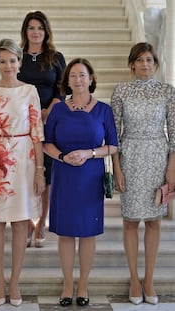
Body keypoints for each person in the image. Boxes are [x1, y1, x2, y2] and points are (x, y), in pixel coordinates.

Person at [0, 38, 45, 307]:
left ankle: (15, 282)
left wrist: (39, 170)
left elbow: (37, 133)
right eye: (3, 61)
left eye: (13, 60)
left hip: (23, 158)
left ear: (19, 62)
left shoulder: (30, 90)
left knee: (22, 222)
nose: (8, 65)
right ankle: (0, 280)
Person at [44, 58, 118, 307]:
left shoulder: (103, 110)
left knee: (88, 233)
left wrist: (90, 153)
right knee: (65, 233)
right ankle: (67, 286)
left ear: (91, 79)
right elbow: (47, 143)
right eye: (73, 75)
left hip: (91, 175)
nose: (78, 80)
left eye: (82, 75)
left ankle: (83, 285)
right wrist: (64, 157)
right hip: (64, 174)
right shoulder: (58, 109)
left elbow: (113, 146)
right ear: (67, 81)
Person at [111, 42, 175, 305]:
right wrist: (116, 168)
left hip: (158, 156)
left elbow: (174, 133)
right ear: (132, 64)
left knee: (154, 221)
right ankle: (134, 279)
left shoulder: (167, 91)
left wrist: (171, 167)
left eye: (149, 60)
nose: (145, 64)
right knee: (130, 220)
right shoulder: (121, 91)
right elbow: (113, 135)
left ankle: (149, 279)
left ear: (155, 64)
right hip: (130, 156)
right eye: (140, 60)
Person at [18, 10, 66, 248]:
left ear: (46, 32)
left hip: (48, 122)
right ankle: (27, 222)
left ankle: (41, 224)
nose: (35, 32)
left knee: (45, 176)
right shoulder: (18, 56)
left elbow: (62, 89)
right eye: (31, 28)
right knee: (26, 174)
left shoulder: (56, 57)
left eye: (40, 28)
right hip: (21, 123)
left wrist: (49, 110)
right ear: (25, 32)